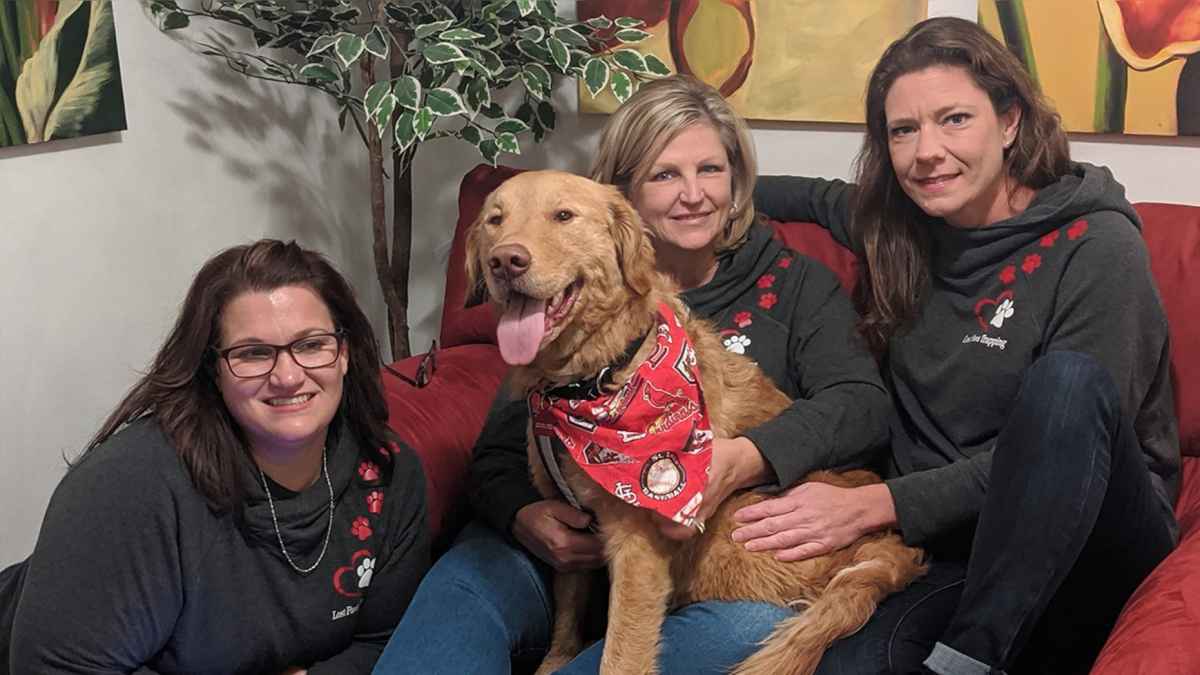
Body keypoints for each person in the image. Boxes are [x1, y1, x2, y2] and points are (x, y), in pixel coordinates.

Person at [372, 74, 893, 674]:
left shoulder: (796, 283)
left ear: (737, 181)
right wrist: (525, 515)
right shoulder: (558, 303)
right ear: (621, 195)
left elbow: (862, 405)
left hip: (716, 548)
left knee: (750, 622)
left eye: (712, 171)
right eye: (664, 174)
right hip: (566, 552)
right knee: (464, 584)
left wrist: (746, 457)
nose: (693, 195)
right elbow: (496, 453)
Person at [747, 16, 1180, 675]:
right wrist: (642, 198)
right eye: (903, 130)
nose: (926, 150)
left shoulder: (1096, 245)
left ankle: (967, 659)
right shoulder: (897, 224)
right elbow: (784, 193)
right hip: (949, 549)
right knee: (846, 665)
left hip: (1089, 536)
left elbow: (1071, 447)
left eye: (954, 119)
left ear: (1009, 122)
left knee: (1065, 383)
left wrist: (873, 504)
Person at [1, 240, 430, 674]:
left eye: (311, 344)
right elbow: (55, 668)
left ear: (344, 354)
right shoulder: (130, 486)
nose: (286, 376)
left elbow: (386, 640)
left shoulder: (389, 472)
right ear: (214, 370)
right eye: (253, 353)